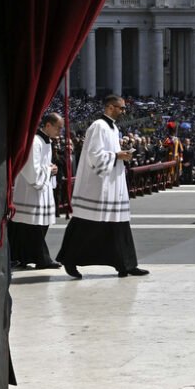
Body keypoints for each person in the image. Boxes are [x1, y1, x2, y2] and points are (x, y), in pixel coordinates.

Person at [57, 95, 149, 279]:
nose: (123, 111)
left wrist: (120, 154)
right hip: (98, 186)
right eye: (120, 108)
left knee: (119, 224)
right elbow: (94, 155)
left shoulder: (112, 127)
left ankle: (126, 264)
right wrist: (117, 156)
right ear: (109, 107)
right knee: (86, 224)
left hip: (113, 183)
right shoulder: (98, 126)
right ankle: (69, 259)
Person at [8, 112, 64, 269]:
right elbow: (31, 171)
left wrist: (49, 169)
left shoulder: (46, 141)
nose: (60, 131)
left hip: (40, 190)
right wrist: (49, 170)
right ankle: (42, 259)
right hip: (30, 192)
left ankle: (25, 257)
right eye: (58, 128)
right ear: (48, 125)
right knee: (34, 228)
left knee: (35, 226)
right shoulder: (34, 142)